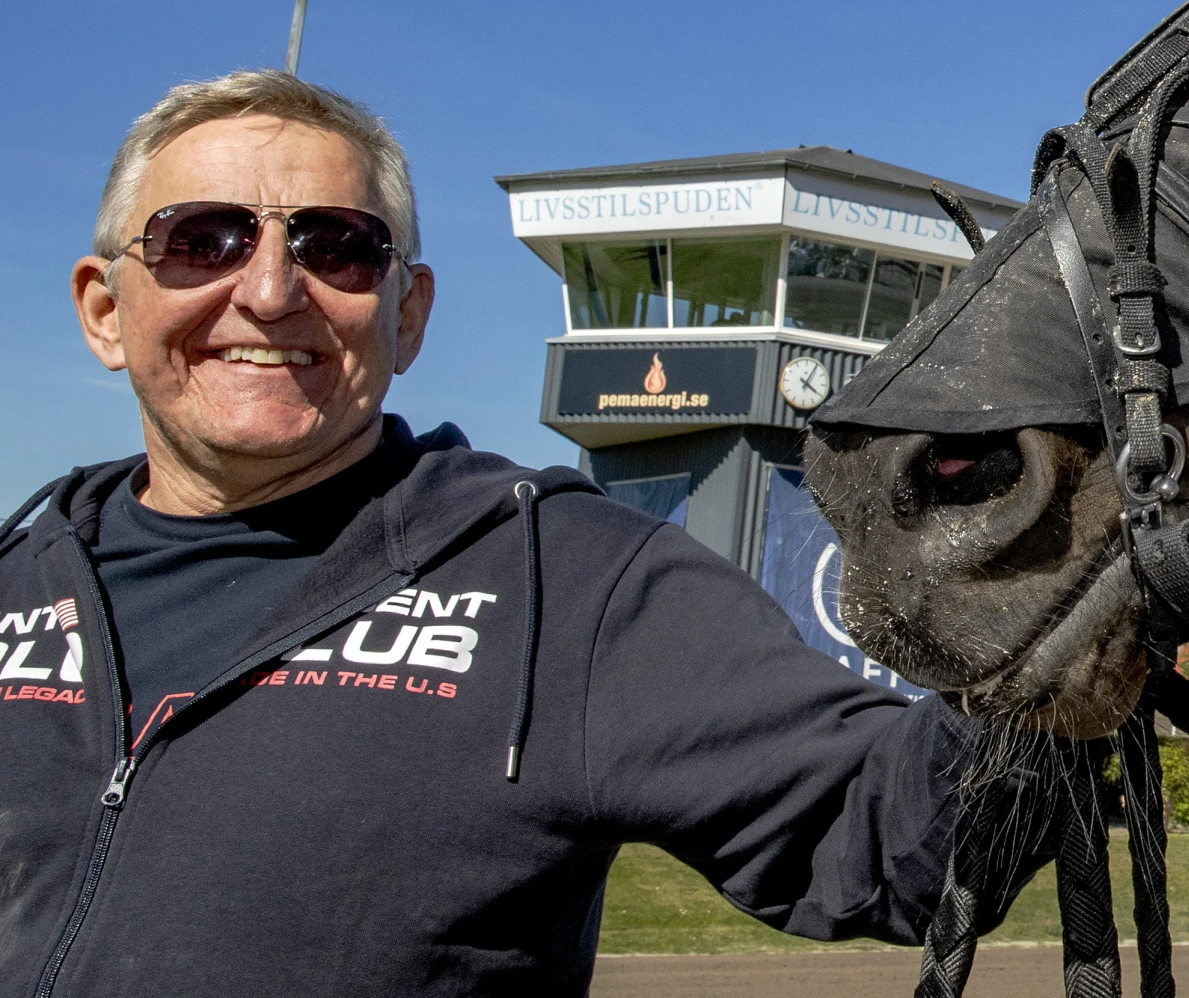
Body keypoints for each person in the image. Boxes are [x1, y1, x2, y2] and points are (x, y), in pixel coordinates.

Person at [0, 70, 999, 995]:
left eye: (337, 245)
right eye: (201, 238)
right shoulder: (18, 576)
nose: (269, 291)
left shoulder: (568, 581)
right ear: (102, 308)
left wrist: (1050, 585)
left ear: (408, 314)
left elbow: (892, 843)